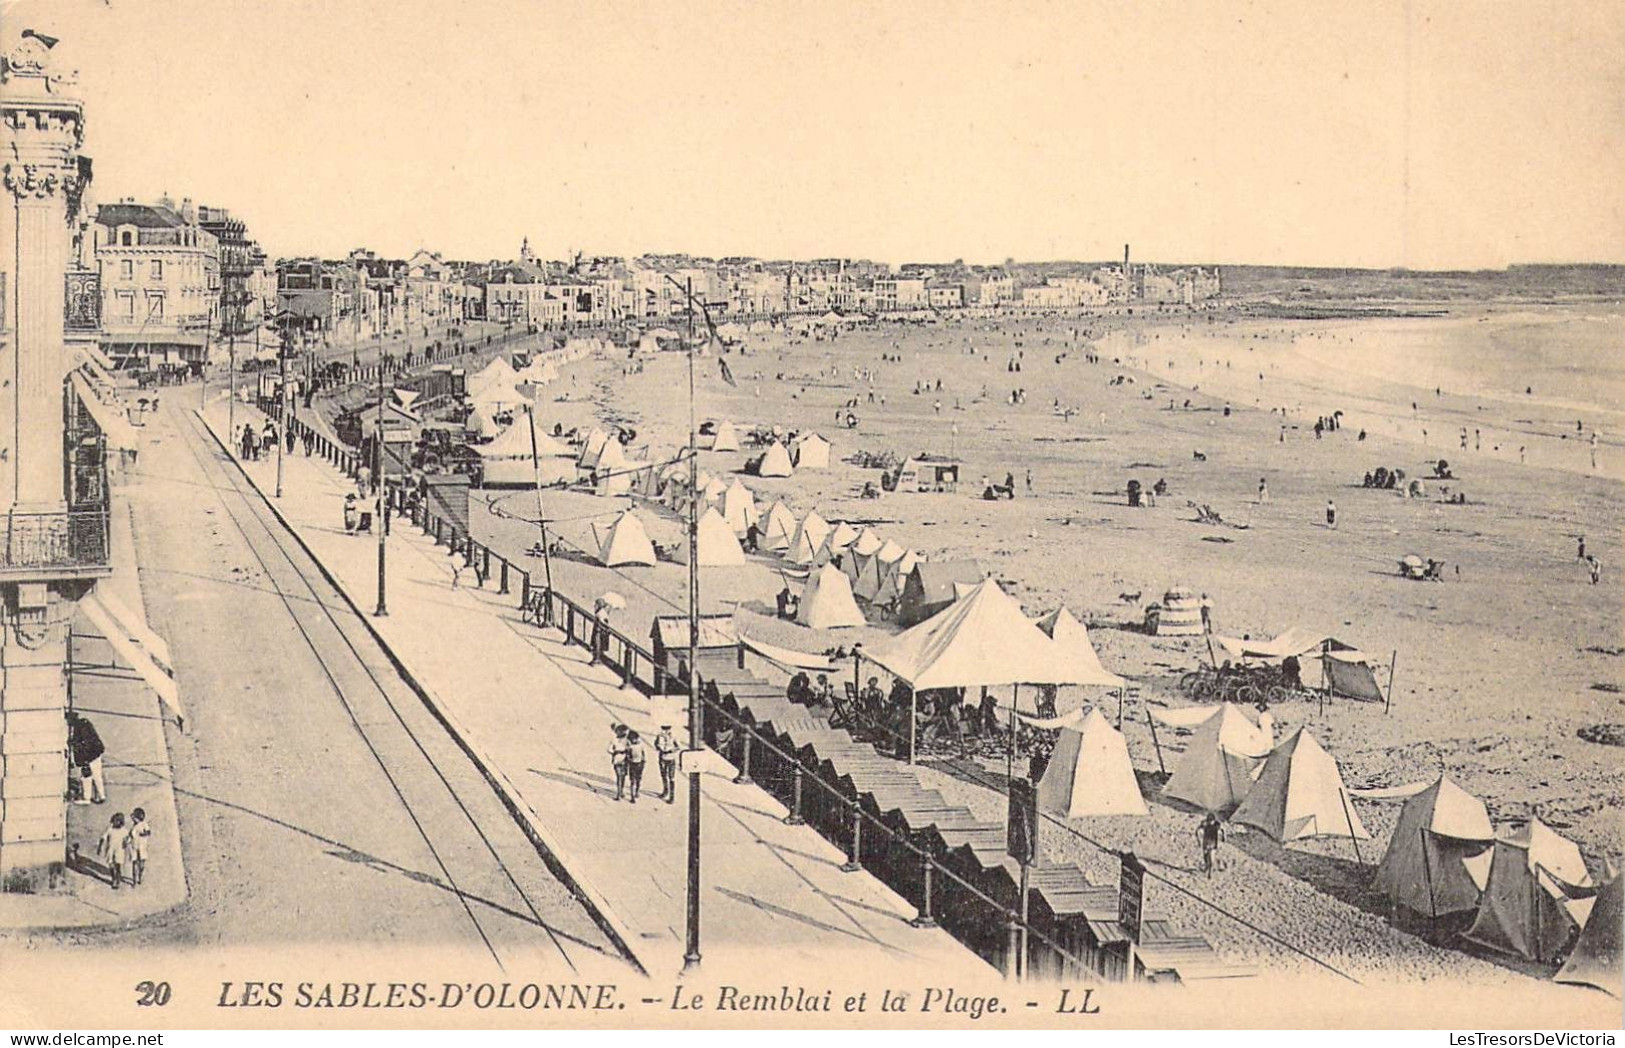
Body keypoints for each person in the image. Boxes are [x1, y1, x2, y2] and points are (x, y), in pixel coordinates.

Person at [67, 712, 106, 805]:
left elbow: (83, 744)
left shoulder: (79, 729)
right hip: (95, 752)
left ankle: (87, 798)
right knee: (96, 775)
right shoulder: (85, 723)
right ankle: (101, 796)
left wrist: (83, 760)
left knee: (86, 776)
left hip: (89, 755)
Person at [99, 812, 127, 889]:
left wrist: (125, 843)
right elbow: (103, 838)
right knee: (111, 865)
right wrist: (99, 847)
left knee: (118, 866)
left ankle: (117, 880)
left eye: (117, 821)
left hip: (119, 850)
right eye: (114, 821)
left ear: (121, 822)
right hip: (110, 850)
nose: (114, 823)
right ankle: (113, 879)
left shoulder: (124, 831)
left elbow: (126, 839)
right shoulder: (110, 829)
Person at [125, 807, 151, 887]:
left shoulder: (144, 824)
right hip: (134, 847)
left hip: (142, 847)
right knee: (135, 863)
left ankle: (140, 876)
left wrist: (143, 834)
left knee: (142, 864)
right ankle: (134, 881)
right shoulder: (133, 827)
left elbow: (148, 832)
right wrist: (126, 841)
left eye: (134, 818)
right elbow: (130, 836)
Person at [655, 725, 680, 804]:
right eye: (664, 729)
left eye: (667, 729)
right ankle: (665, 791)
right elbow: (655, 745)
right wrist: (660, 748)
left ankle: (672, 796)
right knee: (663, 775)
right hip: (662, 758)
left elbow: (678, 747)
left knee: (671, 778)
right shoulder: (659, 736)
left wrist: (671, 750)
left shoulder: (673, 736)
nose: (665, 731)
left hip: (671, 758)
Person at [625, 731, 648, 804]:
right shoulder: (630, 746)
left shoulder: (641, 745)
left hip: (640, 764)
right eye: (632, 739)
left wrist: (643, 760)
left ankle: (637, 792)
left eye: (635, 739)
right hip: (632, 764)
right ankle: (632, 797)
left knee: (638, 779)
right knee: (632, 781)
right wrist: (629, 760)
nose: (634, 740)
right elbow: (628, 755)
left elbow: (643, 754)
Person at [608, 724, 630, 801]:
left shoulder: (627, 740)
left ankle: (621, 792)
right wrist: (615, 751)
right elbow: (609, 749)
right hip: (617, 759)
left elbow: (630, 748)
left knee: (623, 776)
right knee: (619, 777)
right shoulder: (614, 740)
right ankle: (618, 793)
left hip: (624, 760)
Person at [1198, 812, 1223, 878]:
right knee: (1206, 857)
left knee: (1211, 859)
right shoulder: (1205, 824)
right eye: (1209, 820)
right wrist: (1198, 839)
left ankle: (1209, 873)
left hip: (1213, 844)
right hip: (1206, 843)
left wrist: (1223, 837)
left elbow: (1221, 830)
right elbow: (1198, 829)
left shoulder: (1216, 825)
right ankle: (1206, 867)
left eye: (1211, 821)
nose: (1210, 822)